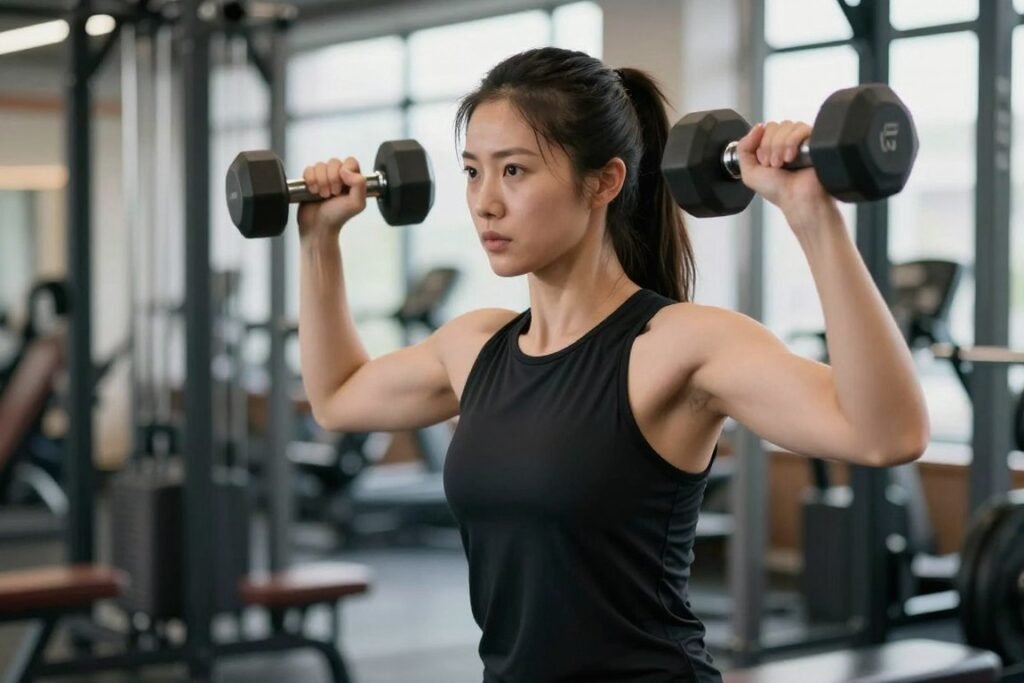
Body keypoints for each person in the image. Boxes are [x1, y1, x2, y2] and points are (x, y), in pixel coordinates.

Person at [296, 47, 929, 683]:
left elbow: (886, 434)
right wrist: (320, 239)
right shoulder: (475, 347)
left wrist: (812, 215)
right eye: (472, 171)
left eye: (513, 170)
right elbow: (338, 397)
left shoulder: (677, 345)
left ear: (603, 182)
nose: (485, 202)